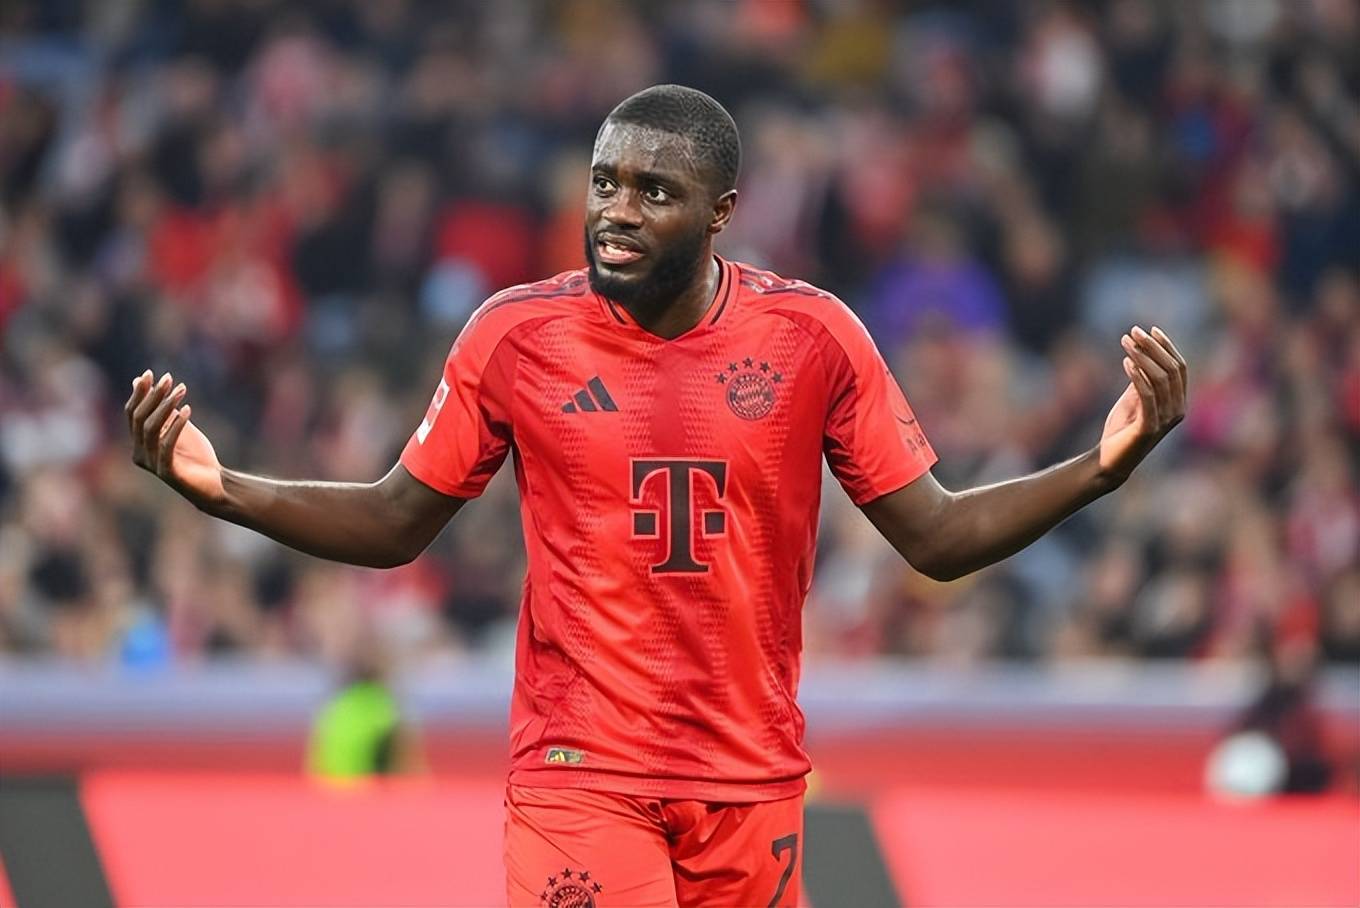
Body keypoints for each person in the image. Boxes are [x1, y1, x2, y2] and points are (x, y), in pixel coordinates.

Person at [125, 85, 1189, 907]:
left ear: (722, 213)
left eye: (653, 191)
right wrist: (225, 489)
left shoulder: (812, 337)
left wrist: (1100, 467)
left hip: (751, 780)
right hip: (579, 769)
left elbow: (938, 536)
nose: (616, 213)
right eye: (604, 184)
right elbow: (396, 517)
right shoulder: (515, 335)